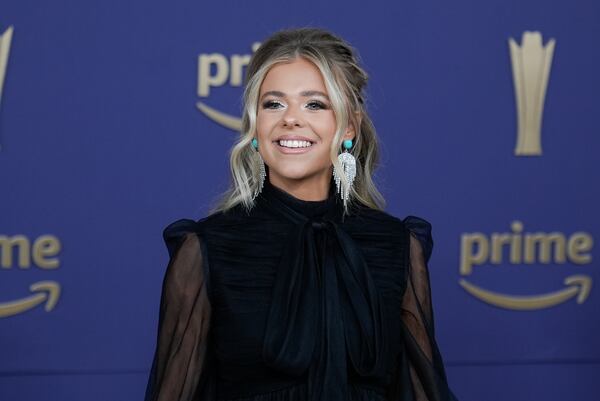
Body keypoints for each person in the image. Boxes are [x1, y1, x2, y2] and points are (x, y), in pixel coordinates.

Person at [144, 27, 459, 401]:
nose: (291, 119)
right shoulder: (208, 249)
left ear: (348, 127)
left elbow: (421, 391)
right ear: (255, 127)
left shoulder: (395, 246)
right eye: (273, 104)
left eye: (315, 104)